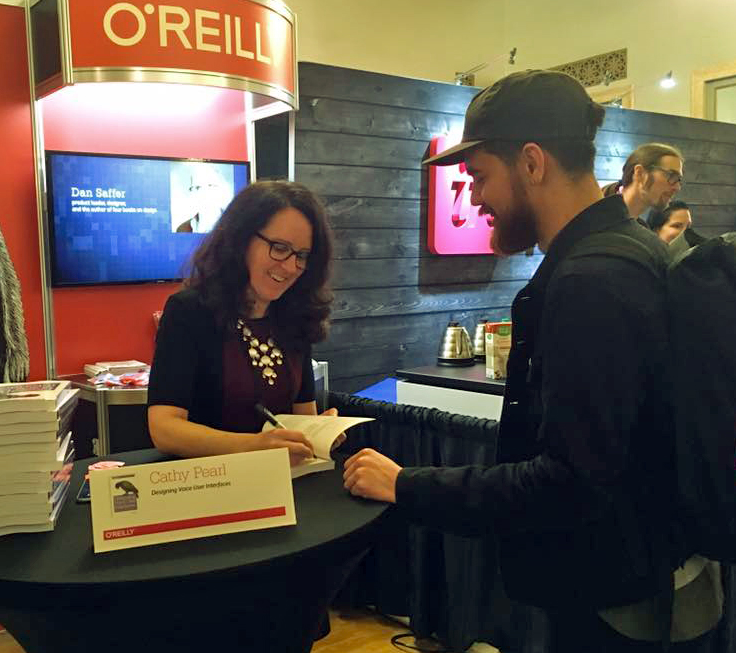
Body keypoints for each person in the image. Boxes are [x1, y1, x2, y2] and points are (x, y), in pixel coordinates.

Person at [344, 70, 716, 651]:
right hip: (646, 577)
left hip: (623, 603)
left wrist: (408, 485)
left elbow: (570, 483)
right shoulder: (629, 251)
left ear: (533, 163)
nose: (474, 198)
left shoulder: (594, 280)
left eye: (479, 176)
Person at [148, 180, 335, 465]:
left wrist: (319, 433)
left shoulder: (295, 315)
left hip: (284, 488)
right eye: (279, 247)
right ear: (241, 239)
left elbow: (301, 420)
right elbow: (164, 429)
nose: (290, 266)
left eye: (301, 255)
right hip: (210, 489)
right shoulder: (189, 311)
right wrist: (255, 446)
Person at [602, 142, 684, 227]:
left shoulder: (640, 230)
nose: (677, 187)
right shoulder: (597, 219)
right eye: (671, 175)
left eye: (678, 179)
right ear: (640, 173)